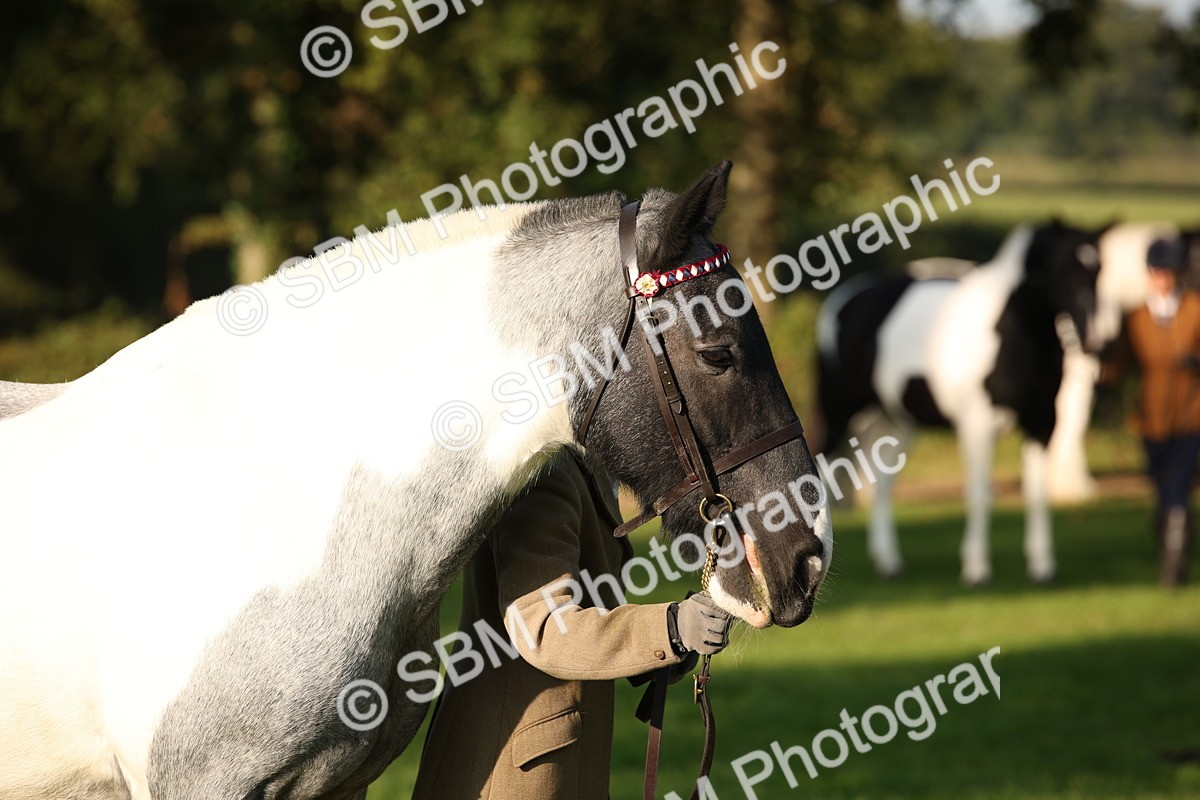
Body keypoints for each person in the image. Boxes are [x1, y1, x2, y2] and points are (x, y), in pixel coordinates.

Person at [411, 448, 733, 799]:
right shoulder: (543, 473)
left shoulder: (582, 464)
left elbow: (590, 601)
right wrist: (671, 627)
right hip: (514, 768)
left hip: (554, 755)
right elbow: (545, 625)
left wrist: (669, 647)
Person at [1104, 237, 1200, 586]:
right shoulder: (1135, 318)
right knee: (1162, 490)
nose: (1162, 277)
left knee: (1179, 487)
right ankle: (1169, 544)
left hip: (1191, 413)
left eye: (1167, 271)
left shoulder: (1194, 309)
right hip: (1151, 416)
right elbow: (1121, 365)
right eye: (1156, 271)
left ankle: (1174, 569)